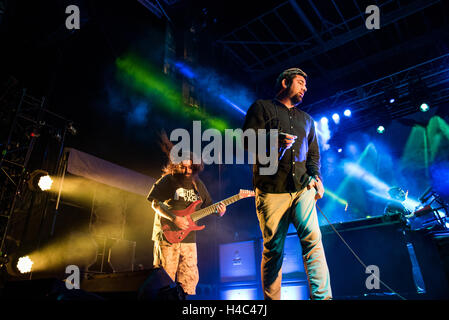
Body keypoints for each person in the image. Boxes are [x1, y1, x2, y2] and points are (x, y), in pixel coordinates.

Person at [242, 68, 332, 300]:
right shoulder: (261, 108)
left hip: (303, 189)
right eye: (300, 82)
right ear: (285, 82)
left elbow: (313, 157)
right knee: (273, 250)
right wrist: (273, 140)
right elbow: (246, 141)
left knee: (313, 241)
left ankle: (323, 298)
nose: (305, 88)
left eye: (305, 84)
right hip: (271, 191)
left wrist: (317, 178)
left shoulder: (307, 120)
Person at [147, 151, 226, 296]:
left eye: (191, 168)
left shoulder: (198, 184)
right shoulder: (168, 180)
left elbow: (210, 207)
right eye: (183, 167)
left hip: (189, 240)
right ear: (176, 165)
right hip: (167, 236)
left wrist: (219, 212)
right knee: (164, 279)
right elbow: (155, 204)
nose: (187, 171)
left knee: (188, 281)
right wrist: (174, 218)